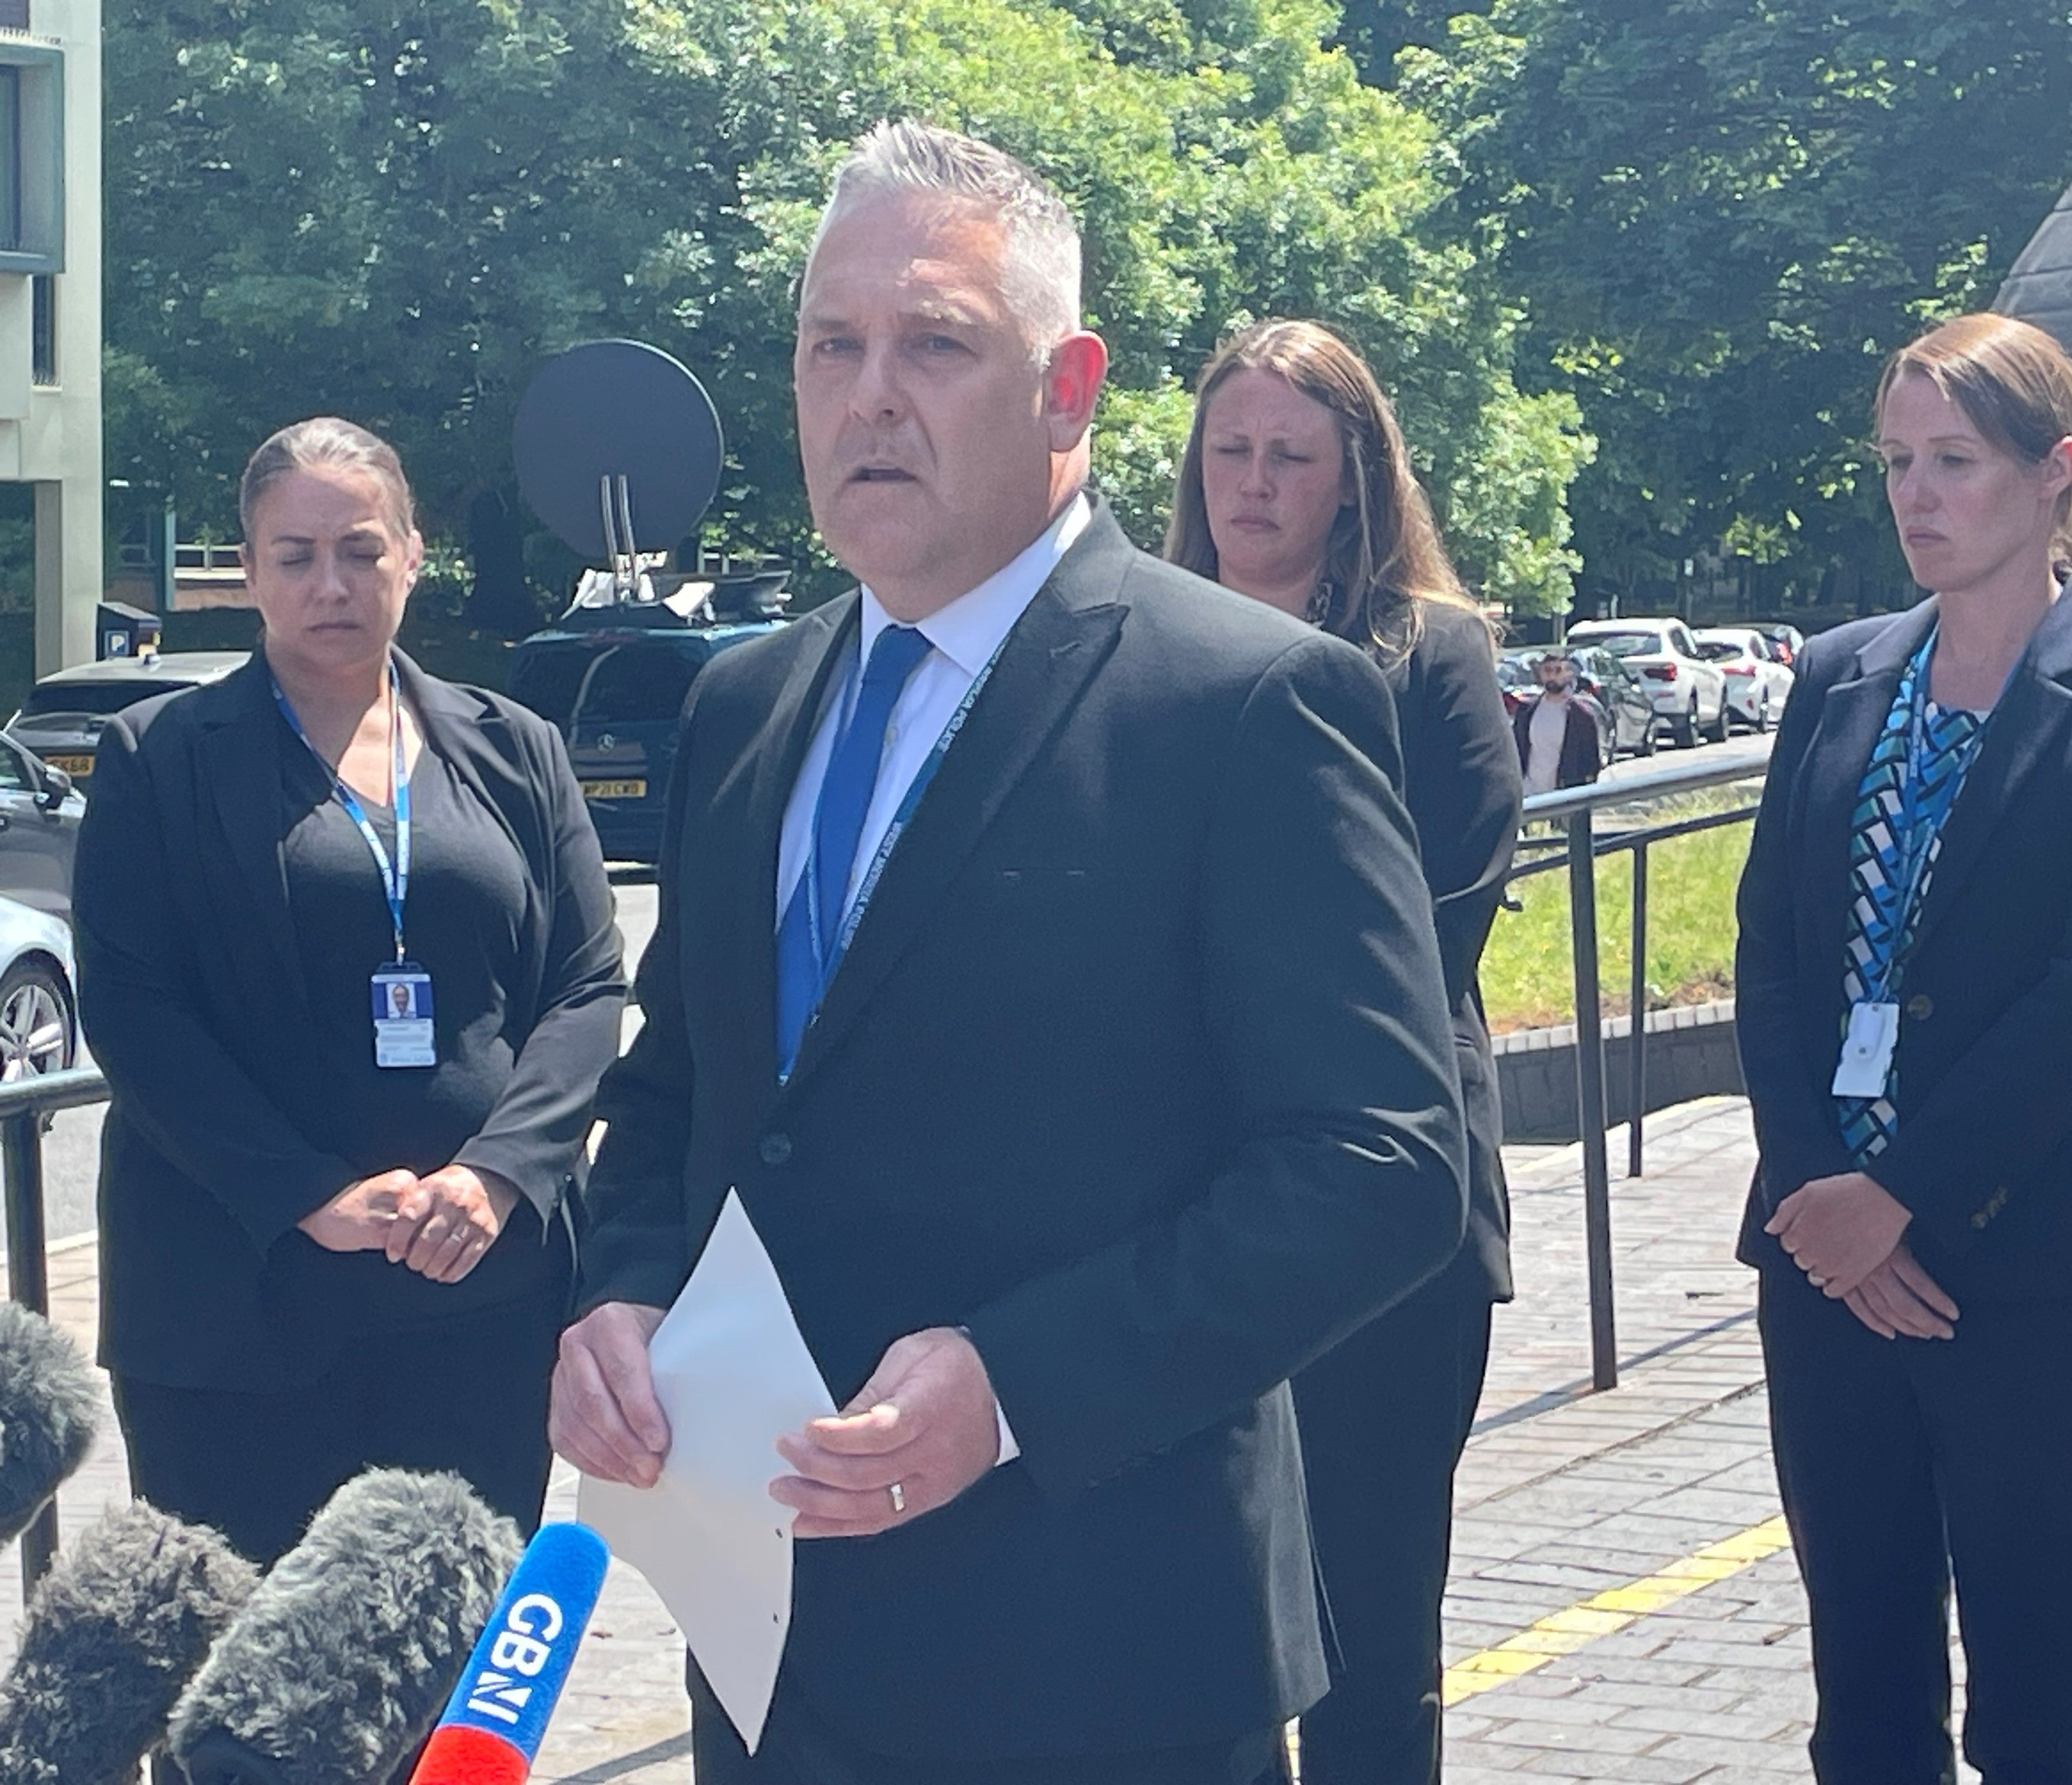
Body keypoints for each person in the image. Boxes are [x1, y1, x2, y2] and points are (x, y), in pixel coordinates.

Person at [549, 122, 1465, 1785]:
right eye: (833, 345)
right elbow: (681, 1097)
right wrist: (617, 1296)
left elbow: (1383, 1164)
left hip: (1096, 1653)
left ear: (1069, 390)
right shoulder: (746, 705)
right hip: (773, 1642)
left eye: (934, 343)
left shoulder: (1244, 702)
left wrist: (1018, 1384)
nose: (868, 394)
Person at [1732, 313, 2072, 1784]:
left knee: (2035, 1691)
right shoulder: (1838, 675)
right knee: (1864, 1687)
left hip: (2039, 1269)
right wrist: (1823, 1193)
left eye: (1955, 461)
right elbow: (1774, 955)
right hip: (1826, 1263)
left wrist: (1908, 1197)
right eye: (1897, 462)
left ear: (2053, 472)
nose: (1917, 496)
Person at [73, 417, 627, 1567]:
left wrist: (499, 1177)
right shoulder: (158, 760)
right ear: (250, 568)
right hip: (239, 1309)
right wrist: (308, 1195)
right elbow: (134, 1010)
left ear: (413, 556)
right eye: (296, 555)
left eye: (362, 551)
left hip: (478, 1307)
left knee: (444, 1675)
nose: (333, 583)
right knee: (244, 1702)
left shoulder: (514, 748)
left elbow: (585, 986)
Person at [1164, 317, 1521, 1785]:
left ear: (1356, 476)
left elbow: (1443, 923)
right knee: (1199, 1642)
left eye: (1289, 456)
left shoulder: (1430, 658)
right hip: (1180, 1213)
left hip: (1381, 1217)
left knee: (1373, 1646)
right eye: (1229, 451)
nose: (1252, 483)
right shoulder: (1134, 639)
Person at [1512, 651, 1602, 795]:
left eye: (1558, 670)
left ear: (1568, 673)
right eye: (1547, 670)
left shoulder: (1582, 716)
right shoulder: (1526, 712)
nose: (1552, 676)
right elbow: (1515, 752)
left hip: (1564, 797)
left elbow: (1592, 764)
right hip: (1529, 794)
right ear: (1540, 674)